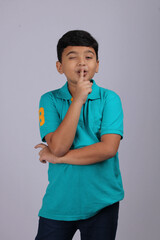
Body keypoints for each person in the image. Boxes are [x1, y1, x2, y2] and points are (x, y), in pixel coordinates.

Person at [34, 30, 124, 240]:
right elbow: (58, 146)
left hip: (102, 202)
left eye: (89, 57)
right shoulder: (49, 100)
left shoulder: (110, 99)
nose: (82, 63)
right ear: (59, 66)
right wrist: (78, 100)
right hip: (60, 203)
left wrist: (58, 159)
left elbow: (108, 149)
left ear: (97, 65)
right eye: (72, 57)